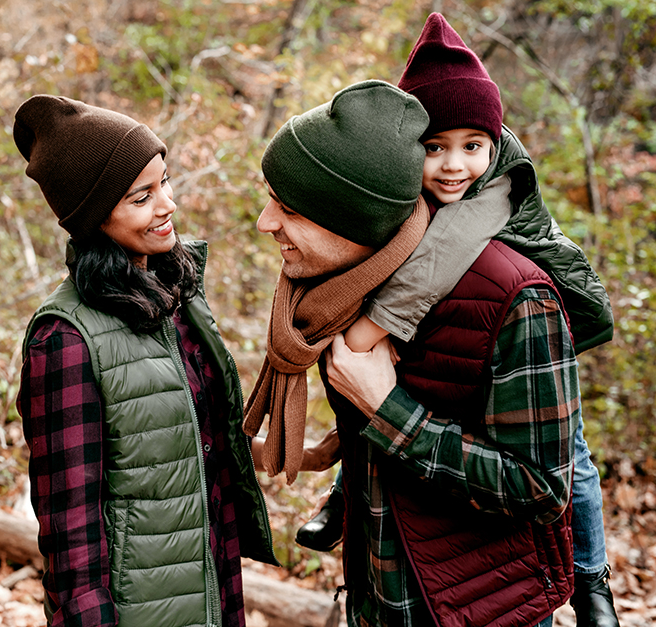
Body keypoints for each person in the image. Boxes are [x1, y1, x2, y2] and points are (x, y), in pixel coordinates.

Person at [293, 13, 620, 627]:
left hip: (547, 345)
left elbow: (433, 266)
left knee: (571, 452)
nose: (453, 166)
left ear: (494, 145)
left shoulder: (496, 199)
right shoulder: (400, 208)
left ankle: (593, 579)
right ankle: (344, 496)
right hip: (393, 573)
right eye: (434, 147)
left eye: (472, 146)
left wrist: (374, 340)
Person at [244, 77, 579, 626]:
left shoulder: (516, 298)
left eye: (291, 209)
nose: (265, 223)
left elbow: (542, 490)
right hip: (379, 601)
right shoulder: (343, 293)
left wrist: (388, 410)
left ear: (354, 218)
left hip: (479, 612)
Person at [12, 95, 280, 627]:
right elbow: (70, 540)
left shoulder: (177, 295)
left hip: (211, 587)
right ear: (93, 215)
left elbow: (186, 445)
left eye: (165, 182)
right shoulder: (66, 339)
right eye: (142, 197)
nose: (168, 205)